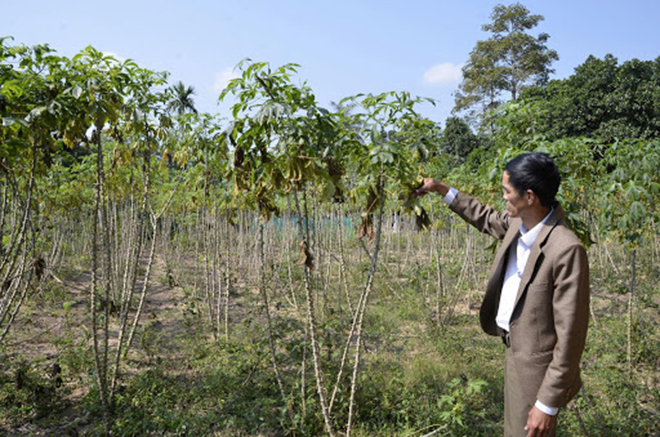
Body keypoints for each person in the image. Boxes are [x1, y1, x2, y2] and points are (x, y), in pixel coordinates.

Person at [415, 152, 589, 437]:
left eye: (507, 192)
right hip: (514, 350)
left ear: (529, 196)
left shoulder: (565, 249)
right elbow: (483, 216)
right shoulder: (518, 225)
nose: (503, 198)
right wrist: (442, 189)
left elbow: (571, 336)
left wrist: (546, 404)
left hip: (537, 368)